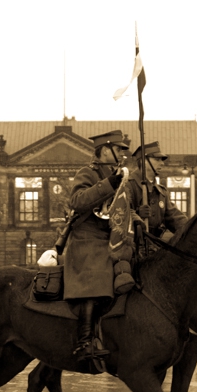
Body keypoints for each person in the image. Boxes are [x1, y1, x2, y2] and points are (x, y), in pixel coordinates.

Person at [63, 130, 134, 366]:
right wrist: (108, 184)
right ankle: (85, 341)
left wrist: (137, 218)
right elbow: (77, 201)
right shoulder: (88, 172)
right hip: (87, 238)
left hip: (111, 235)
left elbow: (122, 209)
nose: (122, 154)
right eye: (118, 150)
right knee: (99, 271)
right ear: (105, 150)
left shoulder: (119, 175)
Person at [128, 141, 188, 244]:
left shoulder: (161, 192)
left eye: (161, 160)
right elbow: (119, 213)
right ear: (143, 161)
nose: (162, 163)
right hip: (131, 247)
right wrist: (137, 213)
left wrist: (194, 226)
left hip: (153, 246)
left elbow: (175, 218)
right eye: (157, 159)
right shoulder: (128, 185)